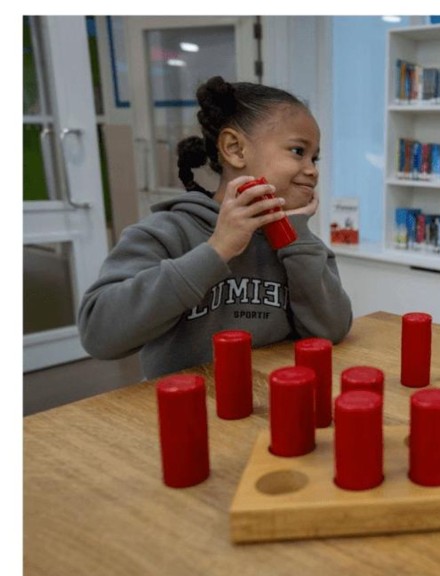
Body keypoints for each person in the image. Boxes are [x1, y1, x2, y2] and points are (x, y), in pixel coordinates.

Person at [78, 76, 353, 379]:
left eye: (315, 157)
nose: (312, 169)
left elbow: (331, 331)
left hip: (266, 409)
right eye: (298, 151)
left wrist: (296, 236)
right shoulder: (167, 231)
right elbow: (99, 336)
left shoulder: (301, 244)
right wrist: (218, 248)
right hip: (186, 411)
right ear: (235, 149)